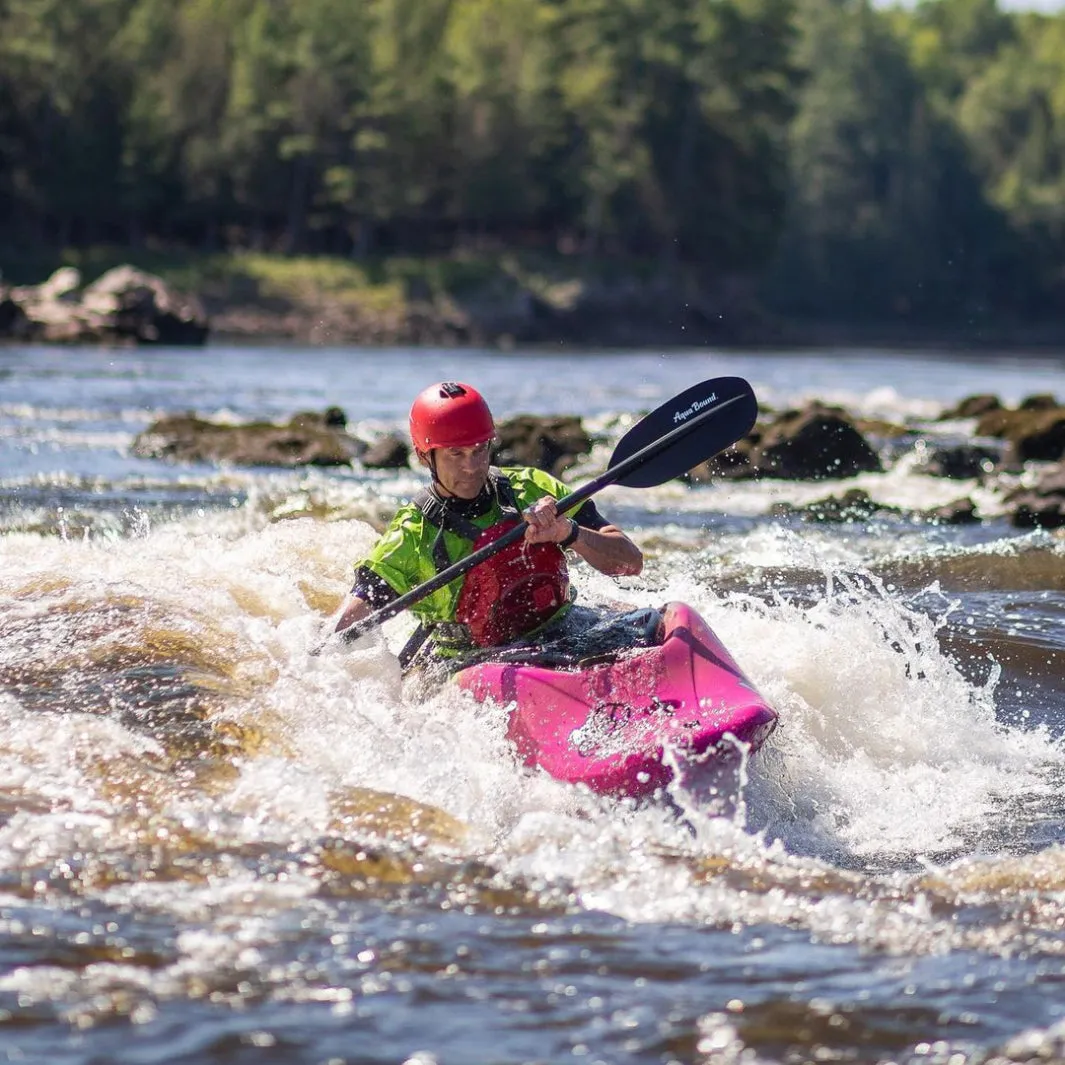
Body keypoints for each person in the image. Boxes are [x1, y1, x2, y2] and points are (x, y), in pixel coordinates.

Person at [333, 381, 643, 664]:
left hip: (563, 629)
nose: (472, 467)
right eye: (456, 454)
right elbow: (346, 625)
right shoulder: (411, 536)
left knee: (656, 624)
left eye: (479, 449)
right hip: (474, 661)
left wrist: (568, 531)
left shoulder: (533, 489)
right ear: (424, 456)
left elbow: (631, 563)